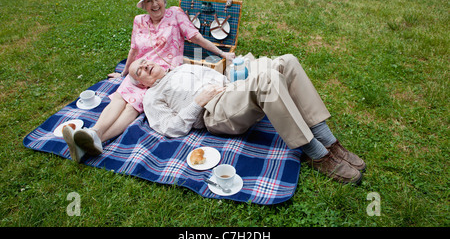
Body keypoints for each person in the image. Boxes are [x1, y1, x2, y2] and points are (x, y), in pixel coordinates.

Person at [63, 0, 235, 163]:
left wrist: (223, 53)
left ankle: (94, 142)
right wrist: (123, 73)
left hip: (162, 75)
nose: (154, 4)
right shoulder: (139, 21)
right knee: (121, 96)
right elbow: (134, 49)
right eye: (149, 1)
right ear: (144, 6)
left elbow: (196, 37)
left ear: (164, 0)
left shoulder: (175, 14)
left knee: (133, 105)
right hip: (140, 69)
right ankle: (94, 132)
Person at [130, 54, 366, 184]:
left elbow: (216, 74)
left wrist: (234, 81)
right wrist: (197, 102)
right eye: (139, 70)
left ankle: (328, 140)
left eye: (145, 61)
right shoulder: (152, 97)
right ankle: (316, 154)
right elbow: (171, 129)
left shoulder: (181, 68)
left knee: (287, 62)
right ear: (141, 83)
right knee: (268, 80)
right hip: (214, 113)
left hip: (231, 90)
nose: (145, 65)